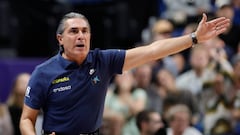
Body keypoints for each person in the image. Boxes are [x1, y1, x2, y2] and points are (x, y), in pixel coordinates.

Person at [19, 12, 230, 135]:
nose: (80, 36)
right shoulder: (43, 73)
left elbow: (152, 50)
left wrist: (193, 38)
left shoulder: (103, 60)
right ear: (60, 39)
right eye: (73, 31)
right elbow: (26, 119)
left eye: (85, 31)